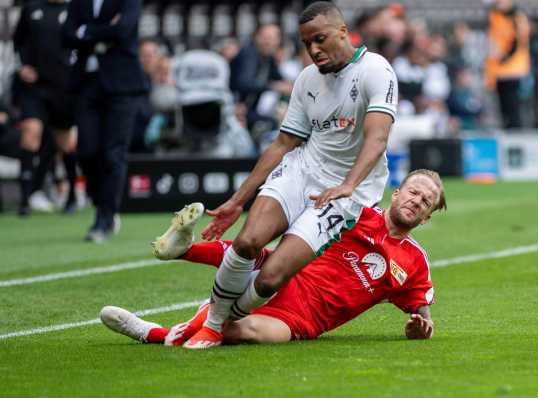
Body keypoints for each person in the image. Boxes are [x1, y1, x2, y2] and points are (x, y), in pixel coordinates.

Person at [165, 1, 398, 349]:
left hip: (347, 193)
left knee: (271, 278)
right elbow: (283, 142)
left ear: (343, 32)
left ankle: (219, 321)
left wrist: (348, 185)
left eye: (320, 39)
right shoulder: (306, 80)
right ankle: (212, 326)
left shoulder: (376, 70)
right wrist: (236, 201)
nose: (314, 50)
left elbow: (377, 138)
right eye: (306, 44)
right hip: (302, 171)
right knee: (247, 242)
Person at [102, 169, 445, 345]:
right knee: (256, 255)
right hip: (285, 274)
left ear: (427, 217)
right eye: (414, 191)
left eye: (426, 201)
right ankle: (184, 250)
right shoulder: (355, 211)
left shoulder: (415, 261)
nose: (417, 200)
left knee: (240, 332)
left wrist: (422, 326)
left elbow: (420, 307)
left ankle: (153, 333)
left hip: (303, 320)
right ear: (397, 192)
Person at [62, 0, 149, 242]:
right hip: (87, 83)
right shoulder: (79, 3)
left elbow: (123, 30)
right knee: (86, 151)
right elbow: (67, 35)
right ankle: (102, 201)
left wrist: (86, 31)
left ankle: (105, 217)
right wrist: (101, 32)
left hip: (122, 85)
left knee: (113, 153)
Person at [12, 0, 78, 216]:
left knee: (64, 143)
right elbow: (18, 41)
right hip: (34, 88)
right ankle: (25, 200)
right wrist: (23, 66)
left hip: (63, 88)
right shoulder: (32, 8)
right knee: (31, 133)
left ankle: (71, 196)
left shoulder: (74, 9)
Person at [485, 0, 530, 129]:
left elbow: (517, 41)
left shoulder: (517, 17)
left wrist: (504, 57)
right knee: (503, 109)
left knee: (512, 108)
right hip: (498, 71)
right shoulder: (495, 16)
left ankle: (515, 137)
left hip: (512, 70)